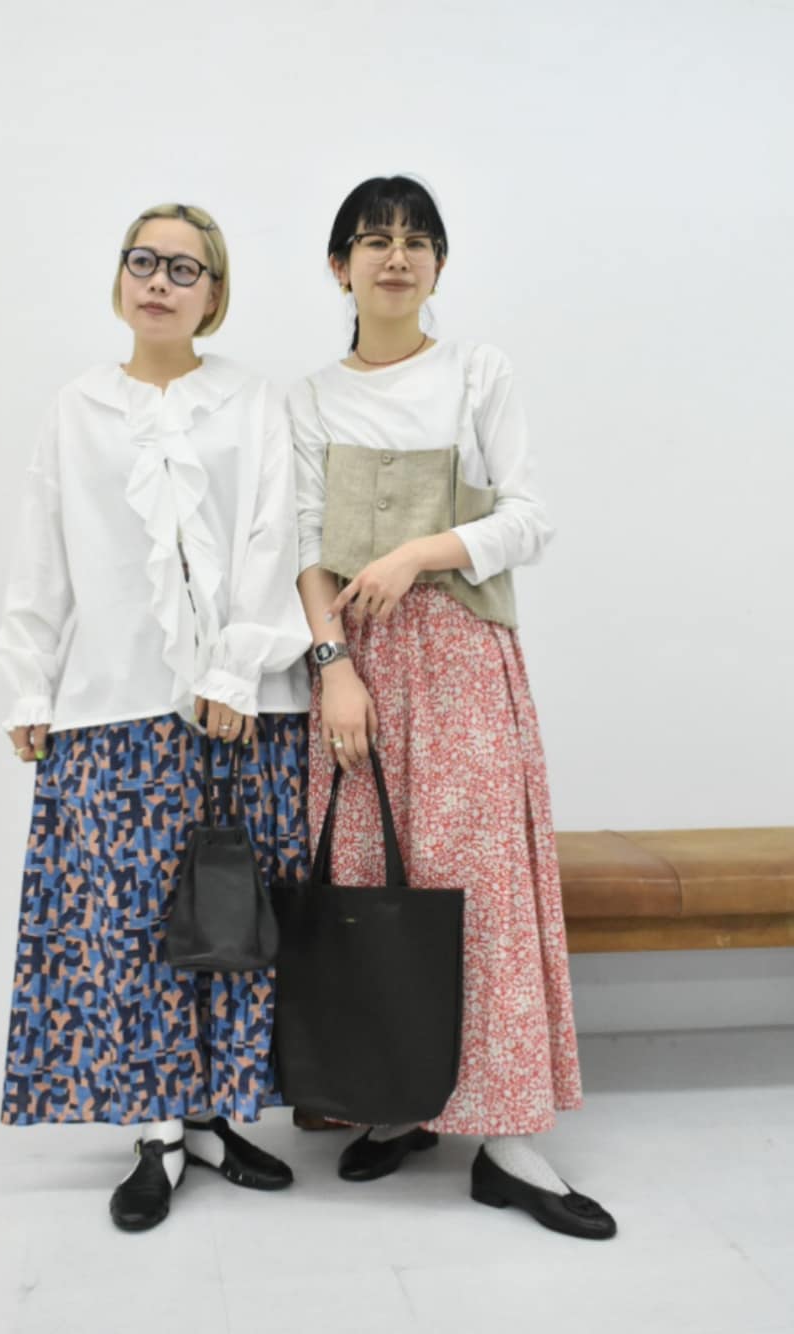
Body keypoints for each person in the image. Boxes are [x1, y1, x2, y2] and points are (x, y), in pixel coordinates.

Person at [287, 176, 616, 1240]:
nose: (396, 258)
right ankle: (399, 1098)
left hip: (464, 656)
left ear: (437, 265)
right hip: (357, 664)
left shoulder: (478, 371)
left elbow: (530, 516)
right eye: (374, 240)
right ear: (339, 266)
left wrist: (418, 551)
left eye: (416, 241)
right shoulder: (307, 398)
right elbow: (302, 543)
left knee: (481, 891)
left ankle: (508, 1140)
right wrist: (334, 666)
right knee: (372, 882)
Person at [0, 202, 311, 1232]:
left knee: (230, 921)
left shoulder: (251, 401)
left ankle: (210, 1118)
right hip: (112, 705)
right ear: (120, 278)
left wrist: (237, 667)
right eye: (143, 261)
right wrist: (30, 680)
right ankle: (159, 1131)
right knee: (129, 927)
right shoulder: (76, 407)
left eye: (184, 267)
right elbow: (44, 546)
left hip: (237, 707)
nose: (159, 280)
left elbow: (274, 533)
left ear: (215, 293)